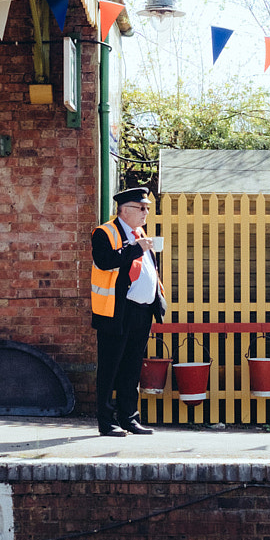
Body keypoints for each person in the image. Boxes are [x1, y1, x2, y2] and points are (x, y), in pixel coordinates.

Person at [90, 186, 167, 436]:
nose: (146, 212)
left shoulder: (139, 234)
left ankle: (129, 418)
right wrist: (137, 247)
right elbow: (105, 261)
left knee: (132, 367)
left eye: (147, 208)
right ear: (123, 211)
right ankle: (106, 421)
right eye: (141, 207)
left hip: (141, 312)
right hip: (116, 312)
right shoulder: (105, 232)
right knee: (110, 368)